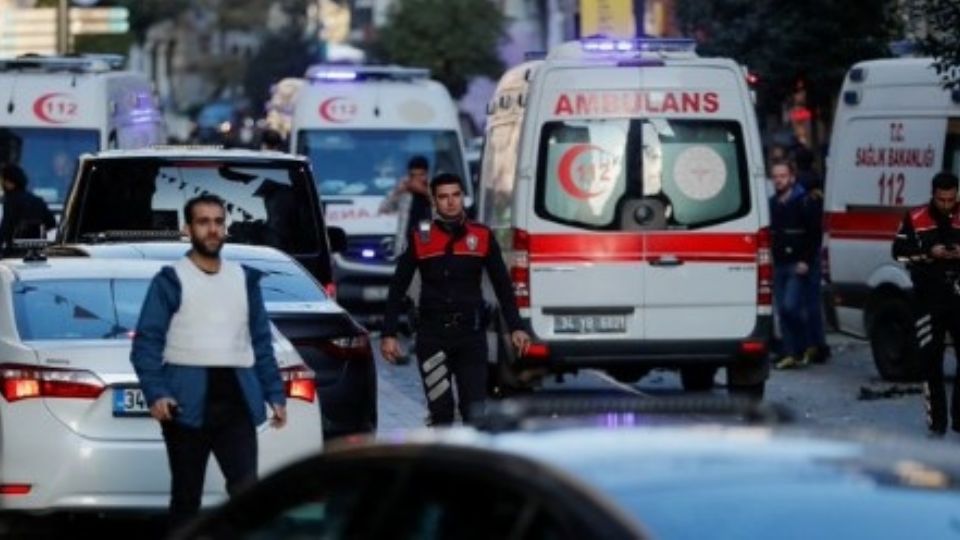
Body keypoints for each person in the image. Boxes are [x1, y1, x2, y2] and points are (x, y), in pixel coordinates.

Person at [130, 194, 287, 531]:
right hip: (186, 407)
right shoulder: (170, 280)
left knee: (247, 495)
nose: (212, 229)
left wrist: (275, 393)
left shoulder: (245, 280)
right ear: (188, 229)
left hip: (237, 405)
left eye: (218, 222)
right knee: (187, 499)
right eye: (204, 222)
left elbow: (261, 342)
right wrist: (157, 393)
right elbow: (146, 343)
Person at [380, 173, 531, 425]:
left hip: (471, 337)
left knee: (475, 411)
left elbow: (503, 285)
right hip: (432, 337)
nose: (450, 202)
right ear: (434, 201)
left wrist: (516, 326)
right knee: (441, 413)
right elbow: (398, 286)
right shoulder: (421, 238)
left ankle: (471, 461)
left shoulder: (481, 236)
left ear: (463, 197)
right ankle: (444, 462)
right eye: (443, 197)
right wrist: (389, 333)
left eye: (455, 195)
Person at [892, 172, 960, 436]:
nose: (947, 205)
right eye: (942, 200)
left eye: (951, 199)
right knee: (931, 361)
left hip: (957, 294)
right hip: (927, 297)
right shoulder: (915, 218)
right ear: (933, 195)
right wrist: (928, 254)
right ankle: (937, 423)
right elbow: (897, 253)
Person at [769, 160, 822, 369]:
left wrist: (806, 260)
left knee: (791, 307)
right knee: (782, 309)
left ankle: (806, 344)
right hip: (779, 262)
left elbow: (814, 234)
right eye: (775, 176)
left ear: (791, 177)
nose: (778, 180)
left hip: (796, 263)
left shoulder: (804, 202)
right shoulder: (773, 203)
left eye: (782, 176)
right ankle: (790, 352)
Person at [380, 155, 432, 255]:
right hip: (406, 243)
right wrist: (398, 192)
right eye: (413, 175)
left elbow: (443, 209)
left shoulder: (434, 187)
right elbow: (384, 208)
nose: (417, 179)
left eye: (420, 175)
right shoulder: (404, 189)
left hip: (426, 239)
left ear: (426, 174)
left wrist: (424, 191)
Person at [0, 163, 55, 253]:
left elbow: (6, 227)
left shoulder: (10, 200)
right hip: (37, 251)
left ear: (10, 182)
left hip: (15, 252)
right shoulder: (38, 200)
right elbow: (52, 222)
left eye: (3, 181)